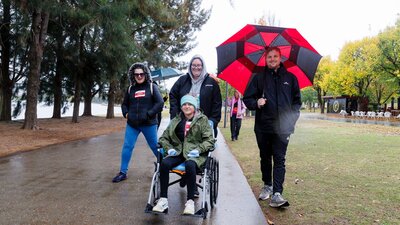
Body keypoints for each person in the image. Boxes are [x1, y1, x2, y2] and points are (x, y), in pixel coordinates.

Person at [243, 47, 301, 208]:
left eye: (275, 56)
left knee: (280, 159)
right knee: (265, 158)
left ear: (280, 57)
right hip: (263, 127)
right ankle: (267, 185)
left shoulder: (290, 78)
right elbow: (247, 99)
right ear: (265, 59)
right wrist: (257, 103)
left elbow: (297, 103)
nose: (272, 59)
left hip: (283, 128)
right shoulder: (258, 78)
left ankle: (277, 193)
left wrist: (292, 119)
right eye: (269, 57)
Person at [152, 94, 215, 215]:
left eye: (190, 104)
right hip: (178, 151)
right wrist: (169, 149)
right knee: (164, 164)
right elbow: (164, 138)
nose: (187, 106)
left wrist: (199, 149)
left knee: (190, 165)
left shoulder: (202, 120)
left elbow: (209, 140)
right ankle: (163, 199)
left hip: (195, 153)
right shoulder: (176, 121)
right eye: (184, 104)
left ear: (194, 106)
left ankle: (190, 202)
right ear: (181, 107)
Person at [112, 62, 164, 183]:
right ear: (133, 76)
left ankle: (165, 167)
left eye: (141, 74)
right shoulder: (130, 89)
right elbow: (124, 104)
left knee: (155, 146)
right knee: (127, 146)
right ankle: (122, 172)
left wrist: (149, 114)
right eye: (136, 75)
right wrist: (126, 114)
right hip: (132, 124)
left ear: (145, 74)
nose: (139, 76)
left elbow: (160, 103)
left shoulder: (152, 87)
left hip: (149, 124)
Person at [169, 54, 222, 137]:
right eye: (193, 65)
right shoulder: (182, 80)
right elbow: (173, 96)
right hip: (184, 124)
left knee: (203, 148)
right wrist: (174, 116)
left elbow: (217, 103)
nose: (196, 67)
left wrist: (213, 120)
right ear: (190, 66)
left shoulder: (211, 82)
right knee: (185, 147)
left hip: (204, 125)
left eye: (198, 65)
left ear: (203, 66)